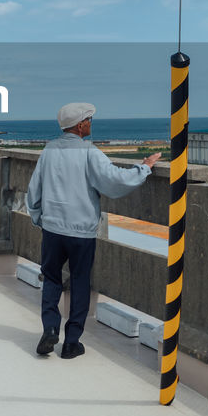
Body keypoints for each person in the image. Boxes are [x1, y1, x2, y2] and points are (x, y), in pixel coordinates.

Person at [25, 102, 161, 359]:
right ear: (80, 125)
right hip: (81, 231)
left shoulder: (50, 150)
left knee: (52, 278)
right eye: (89, 120)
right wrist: (144, 168)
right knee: (79, 282)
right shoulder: (89, 152)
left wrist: (38, 219)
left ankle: (50, 328)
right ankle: (71, 342)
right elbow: (115, 180)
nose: (91, 124)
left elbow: (34, 191)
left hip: (53, 229)